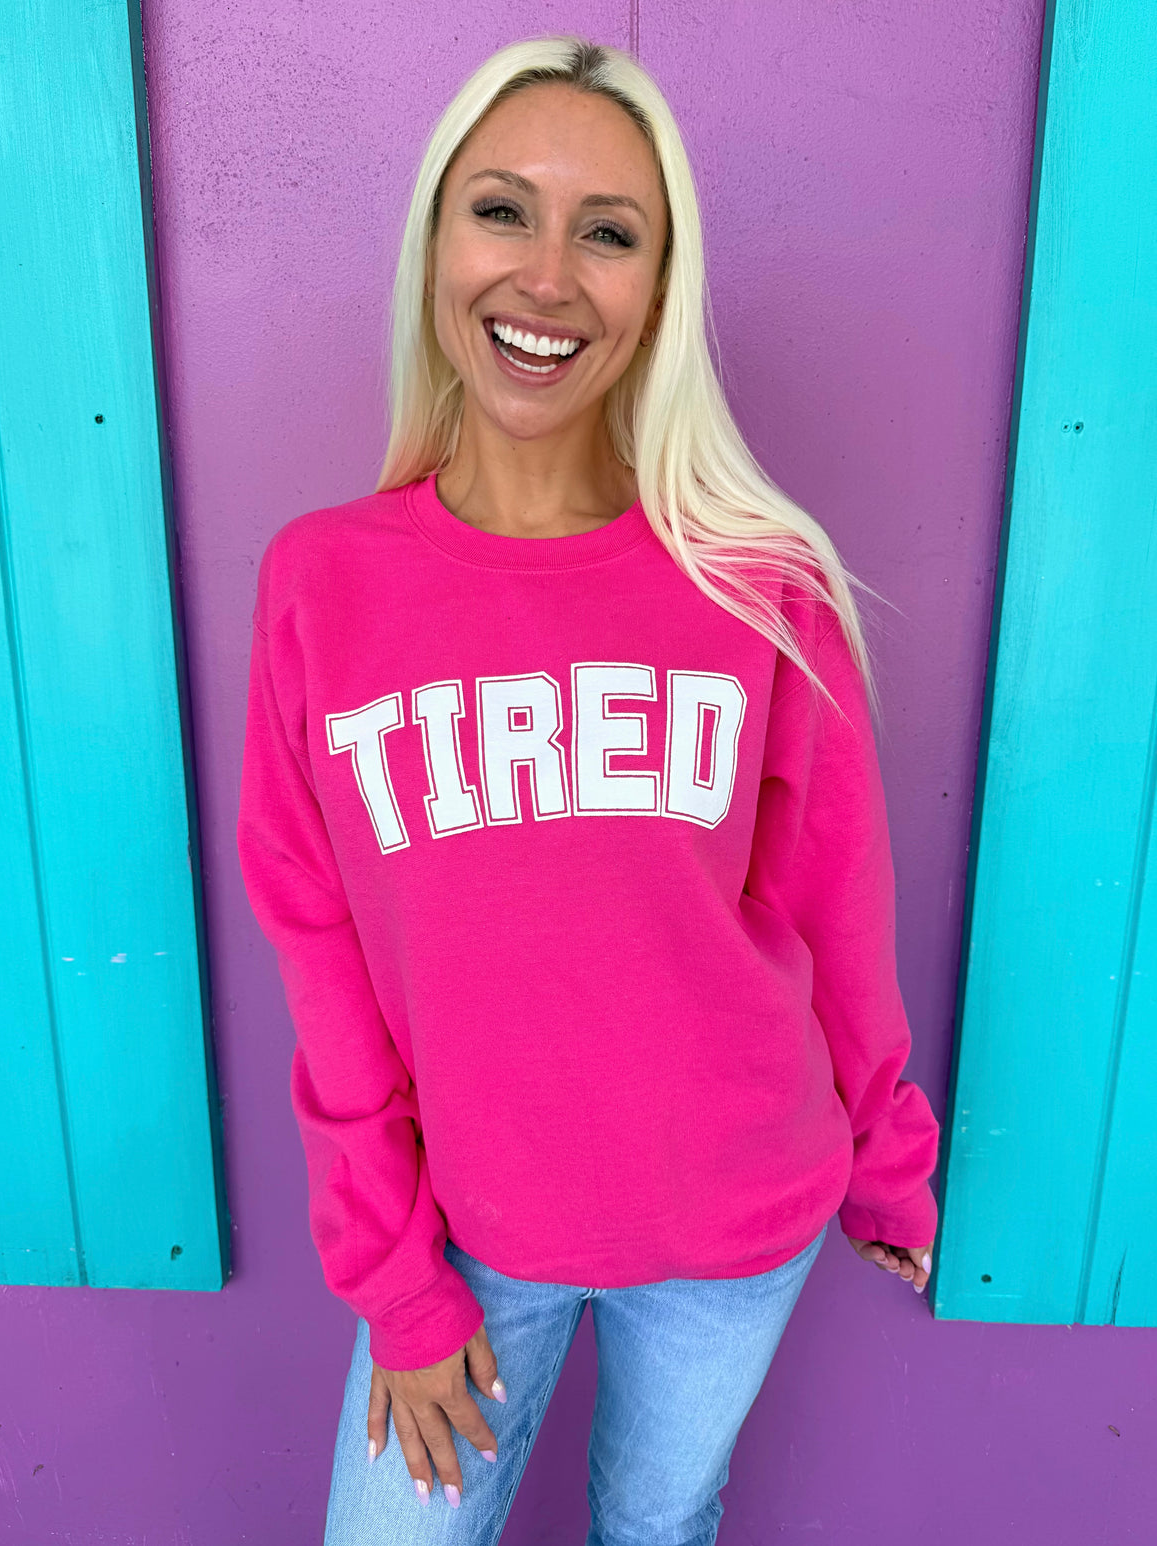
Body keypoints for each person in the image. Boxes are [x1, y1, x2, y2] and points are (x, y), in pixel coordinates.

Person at [237, 33, 940, 1546]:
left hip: (735, 1215)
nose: (547, 275)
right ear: (437, 240)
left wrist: (891, 1167)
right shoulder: (322, 586)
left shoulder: (762, 586)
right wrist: (395, 1276)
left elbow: (835, 907)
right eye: (504, 210)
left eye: (607, 232)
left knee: (659, 1518)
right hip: (467, 1230)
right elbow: (320, 951)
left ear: (660, 287)